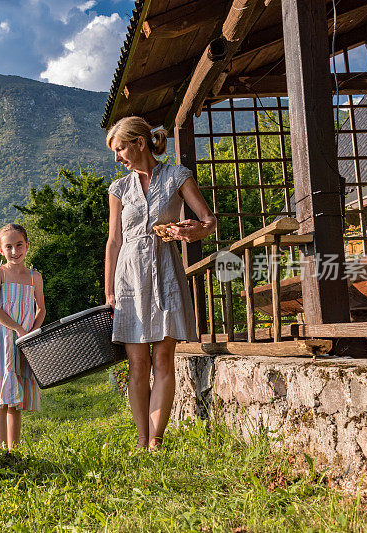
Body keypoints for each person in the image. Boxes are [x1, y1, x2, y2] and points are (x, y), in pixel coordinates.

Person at [104, 116, 216, 452]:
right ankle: (141, 439)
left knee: (162, 360)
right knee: (137, 363)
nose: (116, 158)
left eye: (120, 148)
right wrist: (109, 290)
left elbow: (209, 221)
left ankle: (156, 439)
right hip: (128, 278)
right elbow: (113, 240)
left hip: (165, 270)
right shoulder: (119, 189)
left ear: (140, 142)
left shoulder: (178, 176)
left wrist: (193, 229)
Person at [0, 223, 46, 450]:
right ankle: (0, 451)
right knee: (0, 398)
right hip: (1, 338)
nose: (14, 251)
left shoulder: (34, 277)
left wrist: (32, 334)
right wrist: (18, 328)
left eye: (19, 245)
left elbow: (41, 310)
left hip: (23, 341)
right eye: (8, 247)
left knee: (15, 401)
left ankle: (14, 451)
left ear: (27, 246)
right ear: (0, 250)